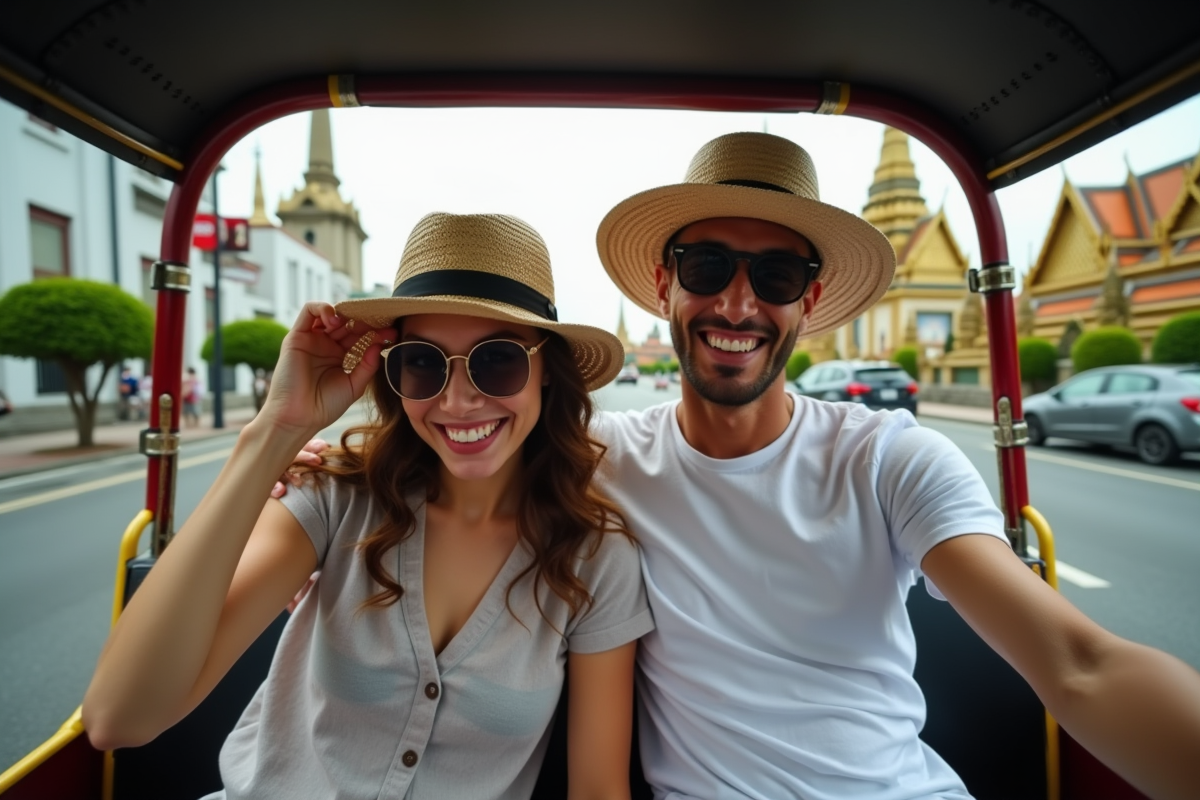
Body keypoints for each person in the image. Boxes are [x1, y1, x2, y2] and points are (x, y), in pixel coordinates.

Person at [280, 134, 1200, 799]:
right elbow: (450, 466)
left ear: (813, 301)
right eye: (708, 264)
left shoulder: (890, 461)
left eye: (775, 276)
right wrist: (335, 486)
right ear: (662, 287)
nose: (736, 301)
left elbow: (1078, 665)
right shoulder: (602, 467)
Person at [83, 213, 653, 800]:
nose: (458, 401)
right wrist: (272, 434)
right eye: (424, 362)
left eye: (498, 360)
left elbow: (598, 788)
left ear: (546, 373)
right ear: (394, 373)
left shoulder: (594, 557)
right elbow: (117, 719)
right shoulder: (336, 498)